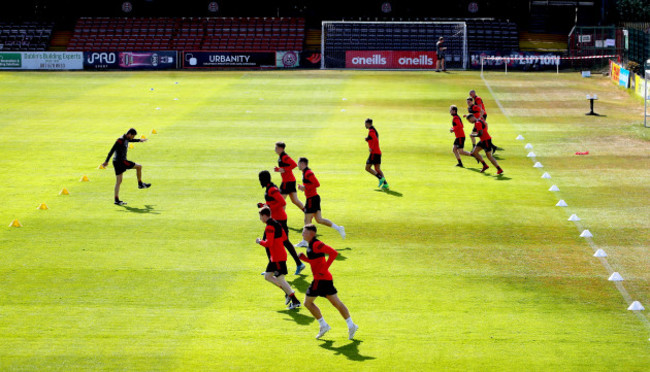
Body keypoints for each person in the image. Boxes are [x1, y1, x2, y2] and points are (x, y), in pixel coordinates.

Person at [298, 224, 358, 340]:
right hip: (322, 279)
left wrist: (323, 270)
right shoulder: (311, 245)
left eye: (304, 232)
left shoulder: (317, 244)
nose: (302, 234)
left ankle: (324, 325)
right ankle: (351, 325)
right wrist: (305, 259)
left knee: (308, 303)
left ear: (312, 234)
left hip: (321, 279)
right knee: (336, 303)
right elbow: (316, 262)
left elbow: (333, 253)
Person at [258, 170, 305, 275]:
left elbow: (282, 202)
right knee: (285, 242)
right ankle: (298, 264)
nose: (259, 181)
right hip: (276, 219)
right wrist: (264, 205)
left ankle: (273, 268)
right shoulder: (270, 188)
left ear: (263, 179)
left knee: (272, 242)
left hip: (279, 220)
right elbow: (273, 202)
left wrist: (269, 207)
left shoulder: (272, 189)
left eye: (260, 179)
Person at [255, 207, 301, 309]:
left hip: (277, 257)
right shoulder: (277, 224)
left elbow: (269, 243)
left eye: (260, 216)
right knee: (267, 276)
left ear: (264, 215)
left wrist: (259, 241)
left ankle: (294, 299)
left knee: (280, 279)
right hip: (277, 256)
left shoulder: (269, 227)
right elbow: (284, 238)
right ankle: (288, 293)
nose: (260, 219)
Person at [294, 157, 345, 247]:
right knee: (319, 220)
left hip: (312, 199)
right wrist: (303, 187)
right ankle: (339, 228)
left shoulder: (308, 173)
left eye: (299, 163)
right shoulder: (305, 172)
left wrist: (305, 188)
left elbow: (317, 184)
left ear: (303, 164)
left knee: (307, 220)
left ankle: (305, 242)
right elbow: (310, 184)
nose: (298, 165)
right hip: (314, 198)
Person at [101, 128, 151, 206]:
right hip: (121, 161)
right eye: (133, 136)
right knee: (139, 167)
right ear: (129, 134)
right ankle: (140, 184)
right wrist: (106, 161)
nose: (133, 138)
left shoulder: (126, 139)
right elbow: (112, 150)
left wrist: (139, 140)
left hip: (116, 161)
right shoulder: (120, 140)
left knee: (119, 181)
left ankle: (116, 200)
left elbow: (130, 140)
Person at [274, 142, 305, 212]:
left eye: (276, 148)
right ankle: (307, 212)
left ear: (281, 149)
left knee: (281, 201)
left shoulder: (284, 157)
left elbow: (294, 164)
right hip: (290, 180)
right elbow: (285, 167)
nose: (275, 149)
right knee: (295, 200)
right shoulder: (281, 156)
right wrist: (279, 169)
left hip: (287, 182)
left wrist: (284, 169)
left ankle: (281, 219)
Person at [364, 118, 388, 189]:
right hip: (378, 152)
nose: (364, 125)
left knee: (367, 168)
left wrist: (371, 148)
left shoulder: (371, 131)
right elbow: (373, 139)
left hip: (374, 153)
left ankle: (380, 178)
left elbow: (375, 140)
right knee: (377, 169)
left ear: (368, 124)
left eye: (365, 123)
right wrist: (368, 139)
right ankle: (385, 185)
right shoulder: (374, 130)